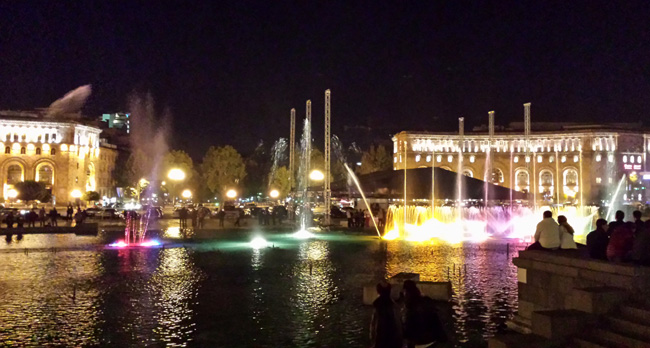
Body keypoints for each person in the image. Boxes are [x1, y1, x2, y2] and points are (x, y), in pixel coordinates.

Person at [402, 280, 447, 348]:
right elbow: (436, 320)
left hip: (420, 343)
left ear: (406, 292)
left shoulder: (410, 309)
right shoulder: (427, 302)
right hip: (433, 340)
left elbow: (408, 332)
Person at [369, 281, 402, 348]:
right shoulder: (393, 307)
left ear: (378, 292)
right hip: (393, 340)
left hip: (381, 340)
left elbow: (375, 326)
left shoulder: (378, 307)